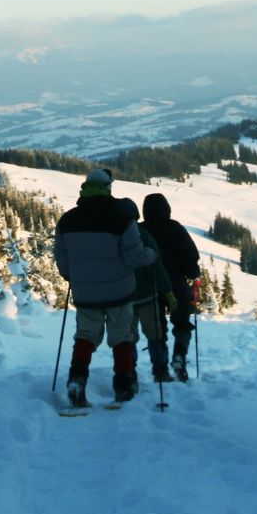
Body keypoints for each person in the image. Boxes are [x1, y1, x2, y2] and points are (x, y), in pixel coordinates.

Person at [54, 168, 158, 406]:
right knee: (122, 337)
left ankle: (76, 381)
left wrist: (76, 277)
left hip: (85, 294)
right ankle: (123, 385)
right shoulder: (122, 220)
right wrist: (151, 255)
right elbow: (135, 258)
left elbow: (62, 261)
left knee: (85, 336)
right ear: (108, 189)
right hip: (119, 293)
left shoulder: (67, 220)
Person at [141, 192, 200, 381]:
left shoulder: (139, 230)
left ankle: (159, 368)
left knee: (156, 328)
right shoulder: (175, 228)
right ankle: (179, 356)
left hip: (149, 287)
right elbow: (191, 257)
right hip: (177, 284)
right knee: (182, 322)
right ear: (167, 209)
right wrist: (192, 273)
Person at [129, 201, 176, 383]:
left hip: (124, 298)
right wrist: (169, 292)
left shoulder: (114, 237)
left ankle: (129, 372)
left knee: (128, 338)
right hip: (148, 296)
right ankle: (160, 370)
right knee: (156, 335)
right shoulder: (144, 236)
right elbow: (157, 267)